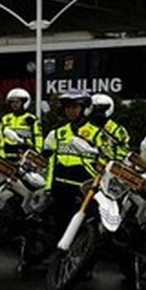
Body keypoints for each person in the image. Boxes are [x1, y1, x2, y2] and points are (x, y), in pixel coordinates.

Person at [44, 90, 98, 236]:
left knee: (84, 228)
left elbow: (105, 161)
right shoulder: (57, 133)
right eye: (68, 107)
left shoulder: (97, 133)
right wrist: (49, 187)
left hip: (84, 189)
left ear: (84, 109)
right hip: (60, 188)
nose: (71, 111)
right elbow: (51, 162)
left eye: (75, 107)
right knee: (58, 225)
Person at [0, 87, 43, 157]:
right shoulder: (5, 119)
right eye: (12, 102)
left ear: (24, 103)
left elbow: (38, 137)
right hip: (7, 155)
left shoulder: (31, 119)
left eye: (17, 102)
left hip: (25, 155)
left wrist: (37, 153)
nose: (14, 105)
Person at [88, 94, 130, 160]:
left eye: (101, 109)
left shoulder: (117, 129)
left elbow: (124, 149)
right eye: (94, 109)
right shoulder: (84, 127)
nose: (97, 113)